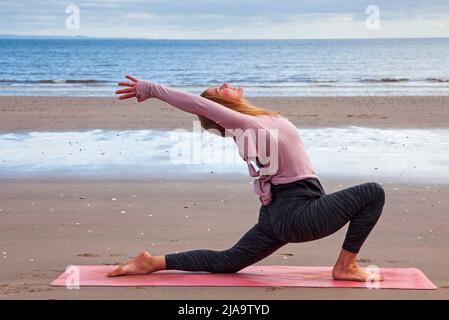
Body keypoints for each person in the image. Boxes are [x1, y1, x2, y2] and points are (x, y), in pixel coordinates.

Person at [107, 75, 385, 282]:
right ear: (218, 107)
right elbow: (196, 104)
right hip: (296, 212)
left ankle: (152, 262)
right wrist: (152, 89)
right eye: (219, 89)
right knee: (372, 193)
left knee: (229, 260)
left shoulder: (257, 120)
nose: (225, 84)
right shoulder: (245, 124)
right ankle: (345, 267)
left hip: (279, 213)